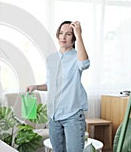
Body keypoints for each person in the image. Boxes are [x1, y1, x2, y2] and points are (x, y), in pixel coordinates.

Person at [26, 21, 90, 152]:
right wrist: (35, 86)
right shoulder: (51, 59)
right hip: (54, 117)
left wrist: (79, 33)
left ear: (73, 38)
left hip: (72, 116)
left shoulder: (76, 57)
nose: (63, 37)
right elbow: (51, 85)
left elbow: (84, 64)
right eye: (61, 33)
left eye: (68, 34)